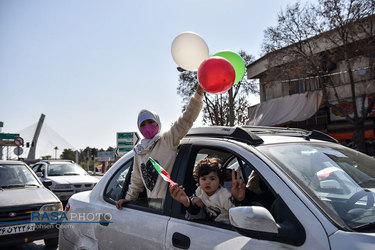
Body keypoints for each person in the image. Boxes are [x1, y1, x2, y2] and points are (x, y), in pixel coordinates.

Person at [116, 85, 204, 210]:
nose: (147, 126)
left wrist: (198, 96)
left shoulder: (167, 139)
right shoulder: (139, 151)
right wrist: (129, 200)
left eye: (151, 122)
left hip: (174, 203)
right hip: (154, 205)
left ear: (158, 123)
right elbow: (136, 180)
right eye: (143, 124)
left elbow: (186, 120)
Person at [169, 158, 245, 223]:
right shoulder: (200, 191)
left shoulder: (224, 195)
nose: (207, 182)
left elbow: (237, 213)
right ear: (198, 180)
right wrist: (190, 201)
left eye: (212, 178)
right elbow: (196, 209)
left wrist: (238, 200)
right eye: (203, 179)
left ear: (220, 182)